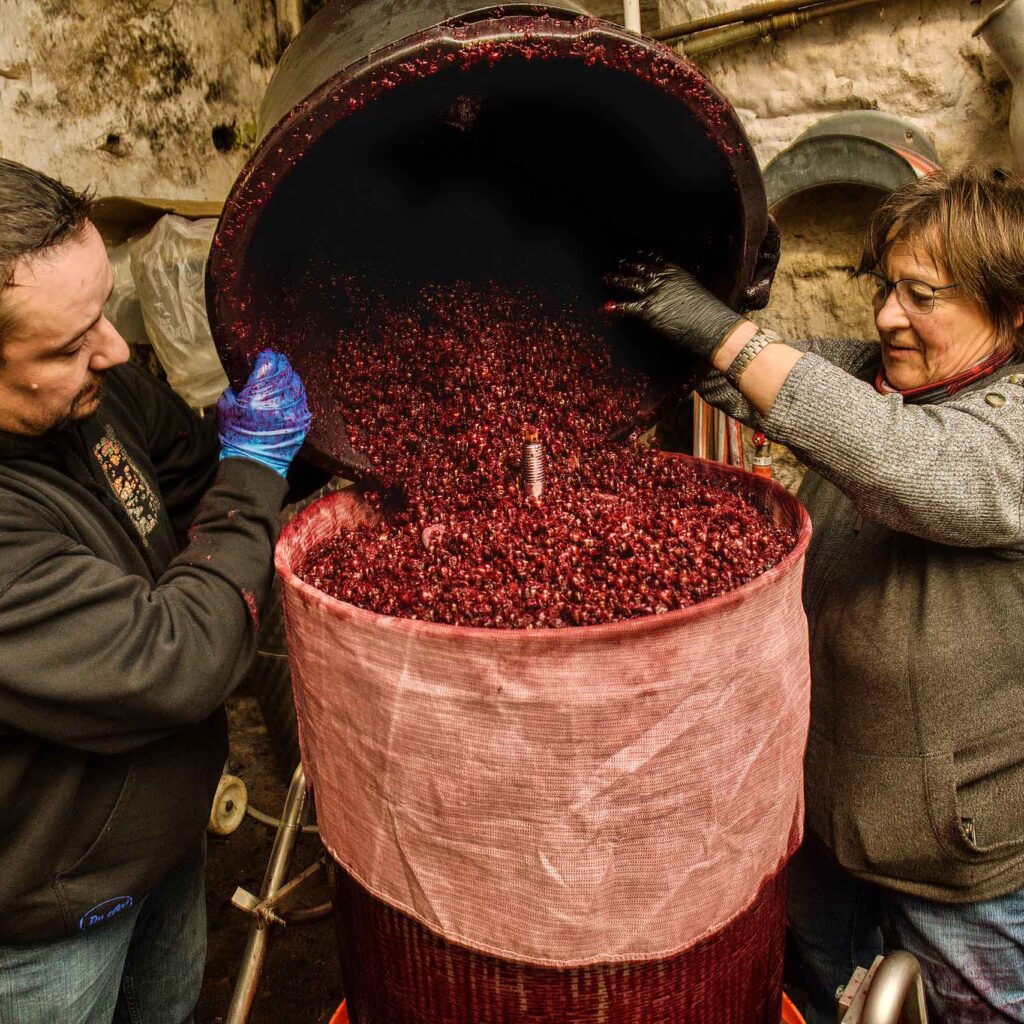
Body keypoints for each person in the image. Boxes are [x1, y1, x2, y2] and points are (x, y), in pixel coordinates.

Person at [608, 166, 1024, 1024]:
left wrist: (721, 331)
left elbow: (897, 460)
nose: (885, 317)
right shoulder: (883, 376)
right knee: (827, 1000)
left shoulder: (1008, 427)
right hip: (826, 826)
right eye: (883, 288)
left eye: (922, 295)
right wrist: (687, 314)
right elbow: (764, 387)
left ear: (1012, 312)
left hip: (961, 864)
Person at [0, 158, 311, 1023]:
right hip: (44, 924)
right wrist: (255, 474)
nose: (115, 347)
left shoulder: (88, 391)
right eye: (66, 344)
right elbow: (176, 660)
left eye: (102, 309)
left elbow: (193, 479)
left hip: (157, 851)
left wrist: (269, 442)